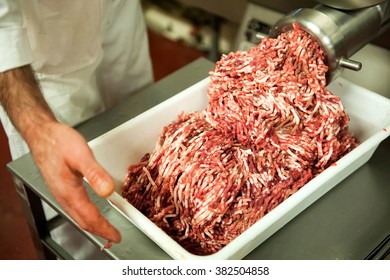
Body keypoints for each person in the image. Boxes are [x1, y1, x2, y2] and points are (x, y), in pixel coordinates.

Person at [0, 0, 153, 259]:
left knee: (143, 129)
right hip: (44, 34)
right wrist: (41, 129)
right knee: (77, 190)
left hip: (117, 7)